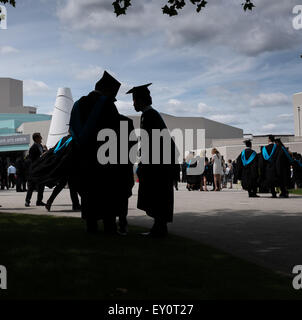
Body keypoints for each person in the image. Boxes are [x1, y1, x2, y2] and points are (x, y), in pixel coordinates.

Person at [69, 71, 135, 234]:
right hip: (104, 162)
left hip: (84, 161)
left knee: (89, 195)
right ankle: (109, 227)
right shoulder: (106, 104)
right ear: (107, 90)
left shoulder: (78, 104)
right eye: (113, 94)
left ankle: (91, 227)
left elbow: (72, 130)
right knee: (107, 197)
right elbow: (115, 131)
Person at [126, 83, 179, 237]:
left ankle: (159, 228)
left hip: (158, 164)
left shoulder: (149, 115)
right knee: (158, 195)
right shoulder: (152, 114)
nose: (133, 103)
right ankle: (159, 227)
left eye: (134, 100)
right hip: (161, 162)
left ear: (141, 100)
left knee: (157, 194)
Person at [25, 133, 46, 206]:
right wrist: (42, 155)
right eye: (40, 137)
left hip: (40, 169)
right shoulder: (32, 148)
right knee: (31, 187)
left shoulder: (41, 146)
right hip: (34, 170)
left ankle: (39, 201)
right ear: (36, 138)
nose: (41, 138)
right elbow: (33, 160)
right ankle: (27, 201)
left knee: (41, 186)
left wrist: (45, 151)